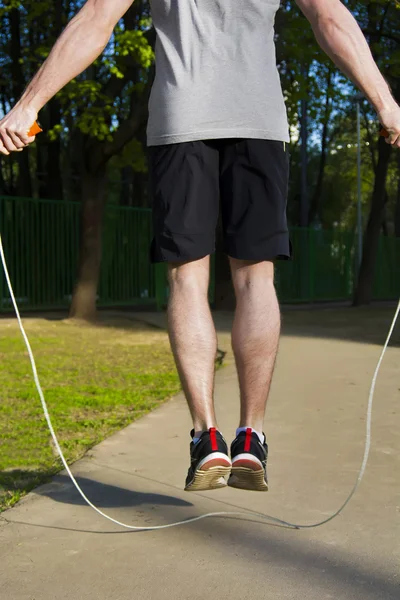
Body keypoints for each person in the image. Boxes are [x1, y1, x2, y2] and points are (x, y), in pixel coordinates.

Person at [1, 0, 399, 493]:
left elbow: (97, 18)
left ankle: (206, 435)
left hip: (180, 118)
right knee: (256, 277)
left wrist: (29, 103)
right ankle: (251, 436)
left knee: (187, 276)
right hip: (259, 121)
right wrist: (386, 103)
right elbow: (329, 18)